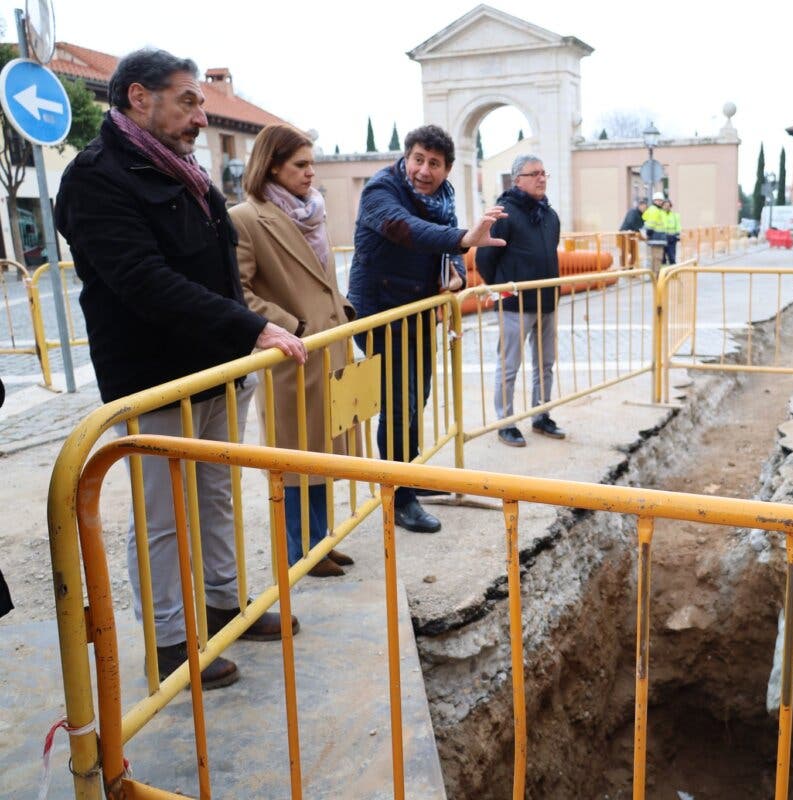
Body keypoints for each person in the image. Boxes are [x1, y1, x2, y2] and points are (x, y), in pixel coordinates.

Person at [55, 48, 305, 690]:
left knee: (217, 498)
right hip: (155, 379)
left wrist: (237, 343)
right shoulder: (97, 177)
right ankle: (171, 644)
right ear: (140, 97)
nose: (201, 113)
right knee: (161, 520)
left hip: (216, 372)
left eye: (201, 100)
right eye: (189, 100)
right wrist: (251, 326)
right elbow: (144, 281)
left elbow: (217, 270)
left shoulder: (184, 171)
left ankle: (226, 602)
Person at [347, 125, 506, 534]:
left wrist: (455, 274)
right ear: (406, 157)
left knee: (419, 395)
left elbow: (445, 253)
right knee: (399, 403)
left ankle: (410, 472)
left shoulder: (441, 200)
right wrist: (463, 239)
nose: (423, 170)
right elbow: (405, 229)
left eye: (434, 163)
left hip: (417, 311)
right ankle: (399, 497)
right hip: (382, 312)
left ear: (447, 169)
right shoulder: (380, 191)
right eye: (418, 159)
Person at [231, 124, 356, 578]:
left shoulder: (314, 213)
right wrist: (291, 326)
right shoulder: (246, 217)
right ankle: (297, 550)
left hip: (329, 349)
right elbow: (239, 292)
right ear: (272, 166)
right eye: (300, 165)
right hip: (292, 357)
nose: (310, 173)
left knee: (322, 453)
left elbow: (323, 279)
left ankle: (320, 541)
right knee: (293, 457)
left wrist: (342, 308)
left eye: (312, 164)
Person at [475, 154, 565, 448]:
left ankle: (541, 415)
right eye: (534, 173)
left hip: (547, 303)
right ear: (517, 180)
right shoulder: (504, 214)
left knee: (545, 364)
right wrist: (503, 289)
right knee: (509, 365)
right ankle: (506, 423)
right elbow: (485, 258)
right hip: (515, 306)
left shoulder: (550, 216)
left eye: (543, 173)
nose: (541, 178)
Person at [660, 199, 681, 265]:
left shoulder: (675, 216)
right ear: (662, 206)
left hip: (672, 238)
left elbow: (678, 226)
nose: (666, 207)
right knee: (662, 258)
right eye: (665, 205)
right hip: (662, 238)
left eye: (668, 205)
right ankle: (663, 274)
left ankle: (673, 273)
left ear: (670, 206)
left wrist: (677, 235)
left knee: (672, 258)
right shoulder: (659, 215)